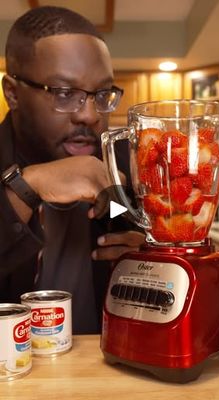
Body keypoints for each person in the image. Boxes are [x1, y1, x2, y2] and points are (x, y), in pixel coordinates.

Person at [0, 6, 144, 333]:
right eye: (65, 93)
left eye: (102, 94)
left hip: (106, 374)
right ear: (13, 93)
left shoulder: (124, 162)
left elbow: (128, 216)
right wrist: (28, 185)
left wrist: (150, 258)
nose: (91, 116)